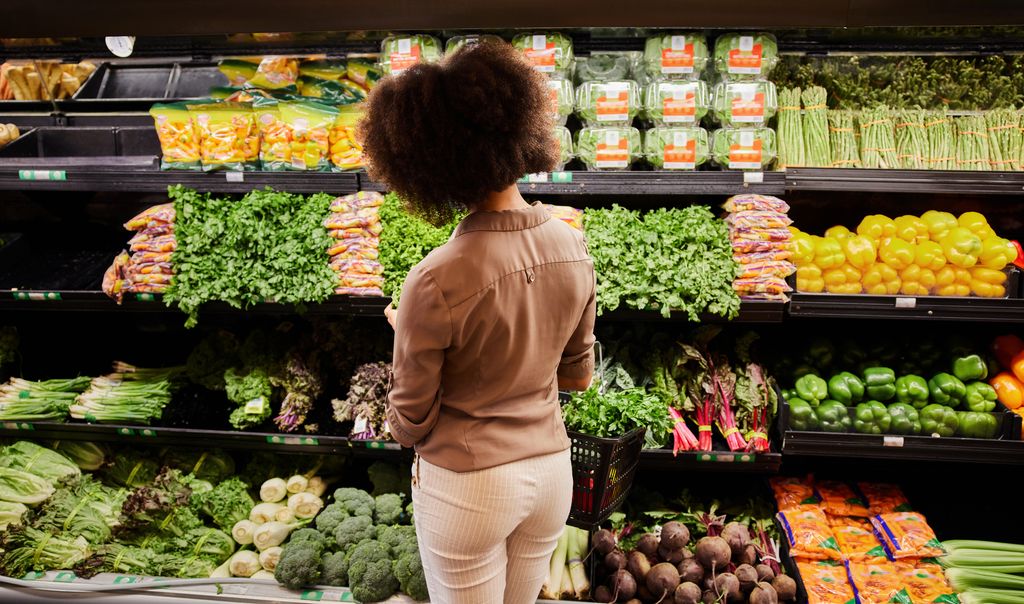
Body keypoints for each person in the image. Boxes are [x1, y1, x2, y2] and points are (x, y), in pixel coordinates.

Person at [360, 41, 597, 604]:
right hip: (549, 474)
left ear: (426, 162)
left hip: (469, 486)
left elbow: (410, 422)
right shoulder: (573, 247)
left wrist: (408, 334)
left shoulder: (434, 280)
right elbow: (577, 378)